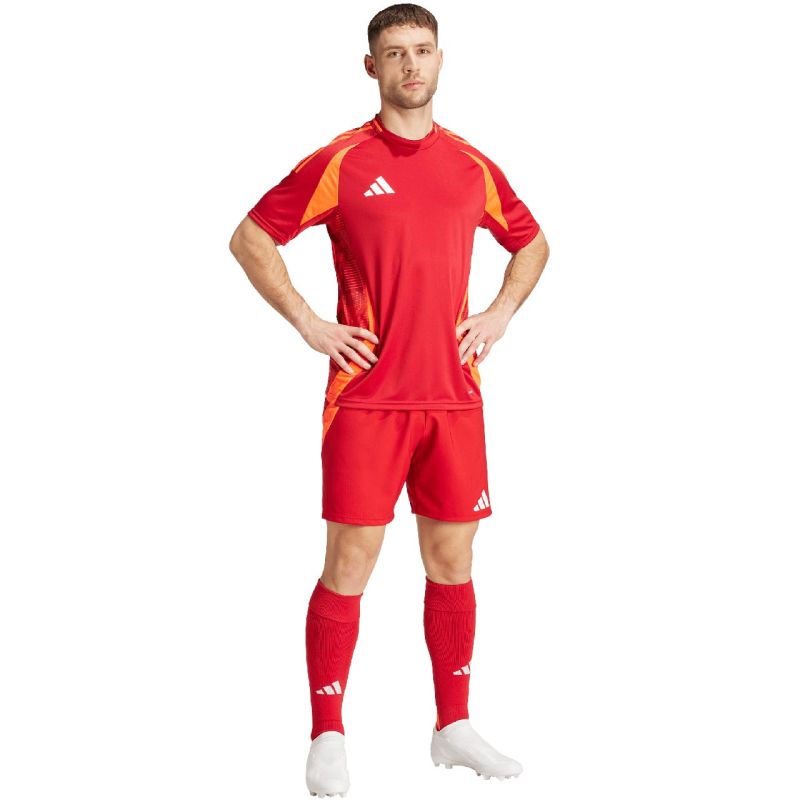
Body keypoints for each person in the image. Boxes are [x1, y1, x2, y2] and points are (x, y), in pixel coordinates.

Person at [229, 4, 550, 796]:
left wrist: (500, 313)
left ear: (441, 60)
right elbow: (251, 236)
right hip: (367, 401)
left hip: (454, 399)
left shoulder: (471, 166)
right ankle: (327, 734)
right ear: (371, 66)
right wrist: (310, 322)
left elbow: (533, 242)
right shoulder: (342, 161)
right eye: (396, 53)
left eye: (423, 50)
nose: (411, 65)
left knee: (453, 561)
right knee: (350, 563)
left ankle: (453, 726)